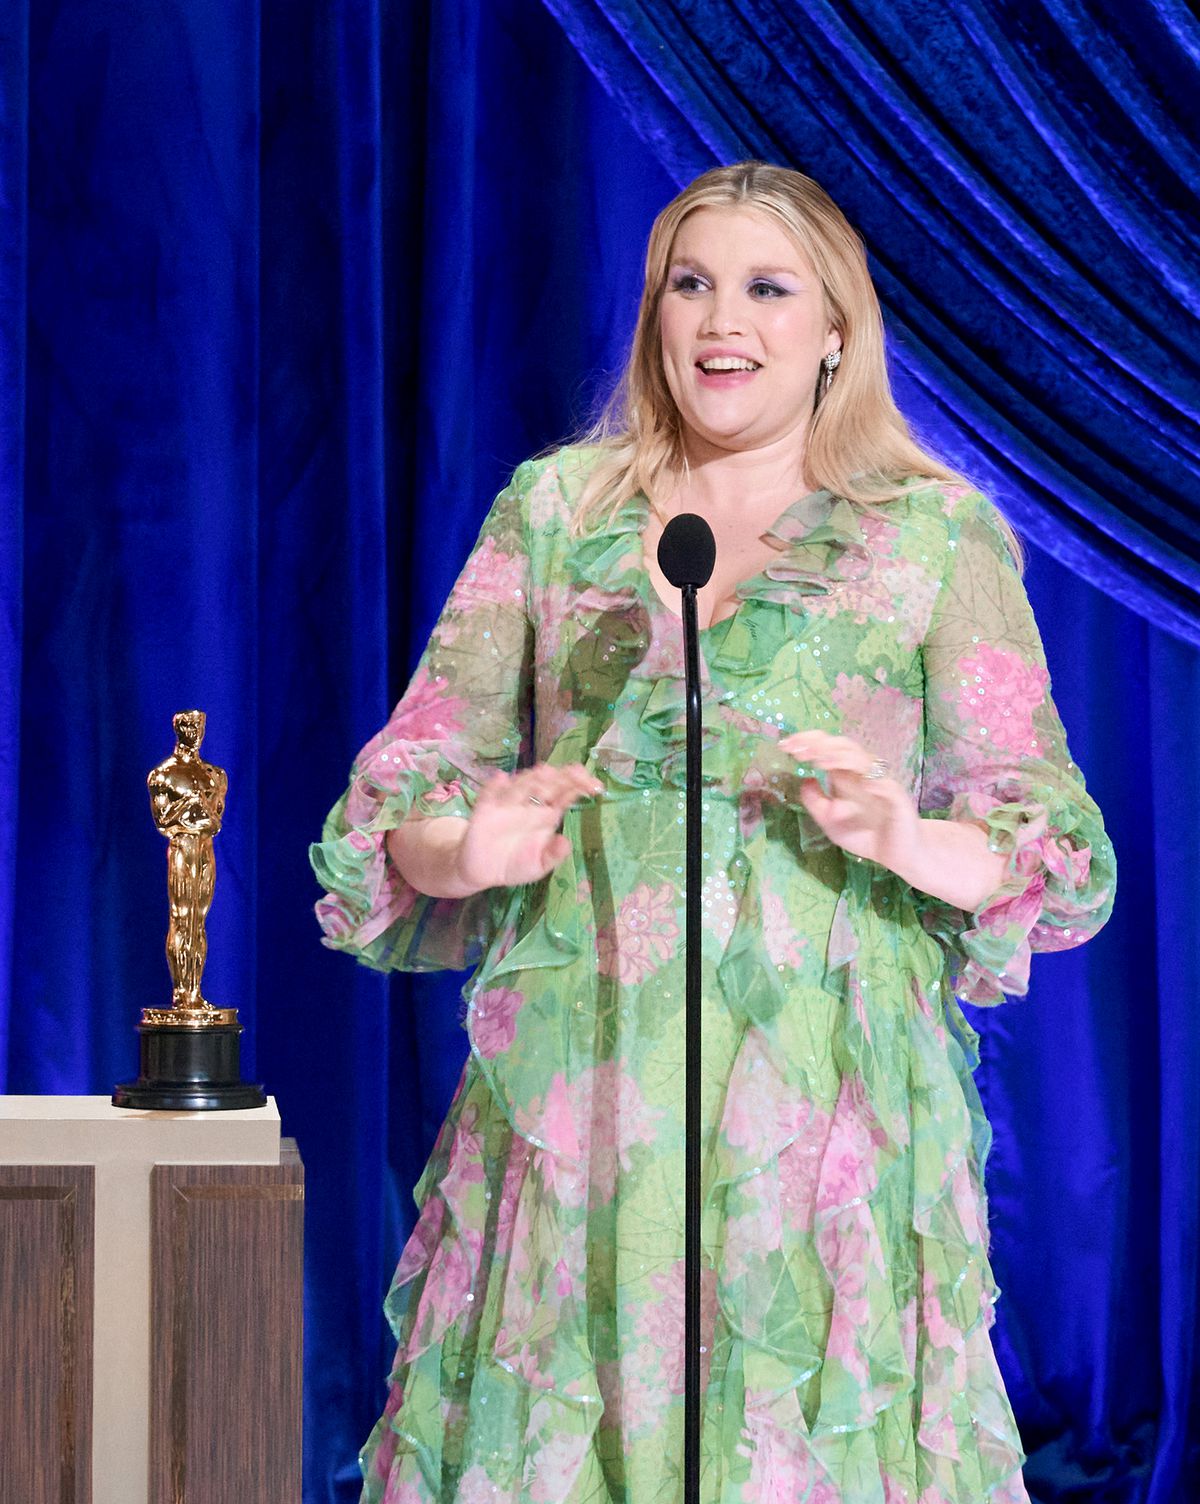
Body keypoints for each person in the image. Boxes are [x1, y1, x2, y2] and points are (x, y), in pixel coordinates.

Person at [311, 161, 1115, 1504]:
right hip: (585, 1094)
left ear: (835, 331)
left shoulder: (931, 537)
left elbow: (1045, 844)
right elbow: (402, 792)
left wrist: (904, 837)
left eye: (763, 286)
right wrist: (467, 847)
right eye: (690, 284)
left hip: (829, 1113)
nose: (719, 319)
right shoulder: (559, 515)